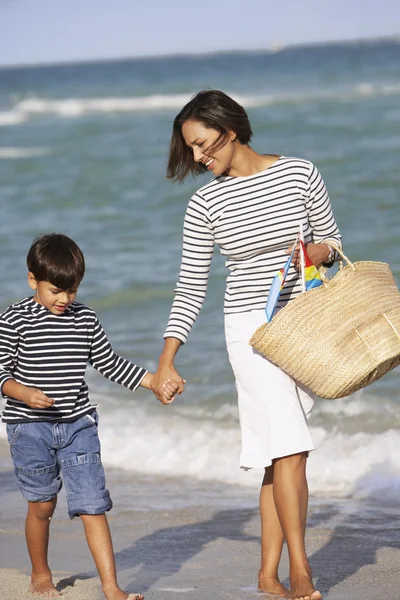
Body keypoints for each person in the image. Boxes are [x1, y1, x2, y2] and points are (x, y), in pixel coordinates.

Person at [150, 90, 342, 600]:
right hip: (249, 332)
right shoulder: (205, 202)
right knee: (293, 448)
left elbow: (333, 242)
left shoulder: (300, 173)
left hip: (304, 325)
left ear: (230, 130)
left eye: (202, 144)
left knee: (277, 453)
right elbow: (191, 284)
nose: (197, 157)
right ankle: (301, 572)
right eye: (189, 148)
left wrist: (309, 250)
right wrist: (167, 358)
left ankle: (266, 574)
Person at [0, 233, 178, 600]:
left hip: (79, 425)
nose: (65, 299)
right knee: (42, 505)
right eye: (56, 291)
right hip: (28, 428)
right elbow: (1, 372)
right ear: (33, 280)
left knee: (93, 504)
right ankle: (40, 572)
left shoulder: (85, 319)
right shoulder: (13, 319)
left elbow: (109, 364)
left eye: (73, 290)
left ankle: (111, 587)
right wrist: (24, 393)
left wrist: (153, 382)